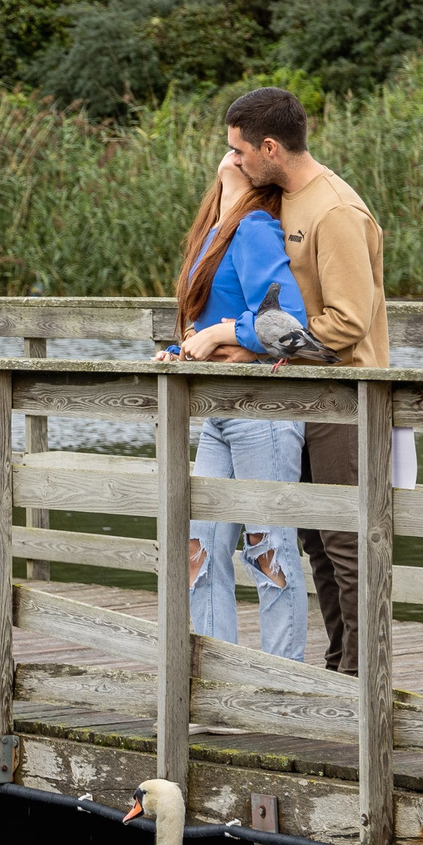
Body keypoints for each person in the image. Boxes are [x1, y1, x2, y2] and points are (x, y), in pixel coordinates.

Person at [215, 86, 390, 675]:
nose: (233, 160)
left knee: (347, 542)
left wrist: (247, 341)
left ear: (270, 147)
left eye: (239, 151)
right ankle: (338, 666)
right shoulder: (278, 201)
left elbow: (348, 322)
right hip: (297, 396)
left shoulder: (334, 211)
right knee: (314, 540)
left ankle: (364, 678)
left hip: (343, 398)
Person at [159, 148, 311, 661]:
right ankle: (220, 680)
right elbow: (213, 318)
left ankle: (281, 684)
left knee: (269, 550)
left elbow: (286, 317)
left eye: (238, 148)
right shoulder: (216, 232)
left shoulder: (255, 228)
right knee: (198, 549)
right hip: (219, 410)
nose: (229, 153)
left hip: (261, 411)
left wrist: (226, 334)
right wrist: (184, 348)